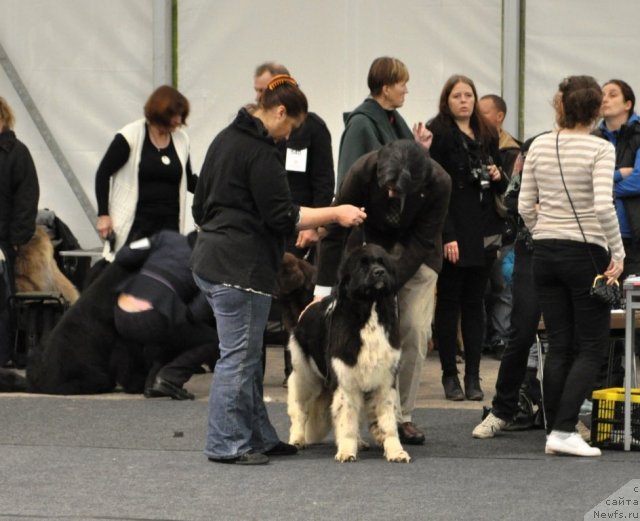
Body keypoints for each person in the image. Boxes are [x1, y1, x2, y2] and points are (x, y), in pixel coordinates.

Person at [190, 74, 366, 465]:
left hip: (210, 261)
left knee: (248, 357)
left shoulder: (223, 140)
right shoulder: (260, 152)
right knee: (237, 358)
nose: (289, 136)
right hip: (241, 270)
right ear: (280, 112)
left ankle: (258, 437)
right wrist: (336, 213)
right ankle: (226, 443)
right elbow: (283, 216)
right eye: (291, 127)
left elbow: (198, 208)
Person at [314, 139, 451, 445]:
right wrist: (323, 289)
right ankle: (358, 410)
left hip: (417, 256)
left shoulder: (440, 181)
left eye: (398, 190)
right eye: (387, 186)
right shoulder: (363, 169)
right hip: (368, 250)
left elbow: (422, 241)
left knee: (413, 329)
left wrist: (387, 285)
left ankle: (401, 419)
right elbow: (335, 228)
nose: (391, 193)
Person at [519, 75, 624, 457]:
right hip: (586, 253)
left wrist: (543, 232)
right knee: (592, 345)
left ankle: (555, 429)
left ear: (559, 106)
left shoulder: (540, 145)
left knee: (559, 344)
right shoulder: (600, 149)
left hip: (544, 253)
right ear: (596, 110)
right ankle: (564, 430)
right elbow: (601, 205)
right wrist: (618, 252)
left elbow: (524, 205)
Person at [253, 62, 335, 383]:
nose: (260, 97)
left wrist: (314, 226)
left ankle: (296, 372)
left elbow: (324, 182)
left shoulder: (313, 128)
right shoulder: (255, 133)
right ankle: (254, 373)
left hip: (299, 231)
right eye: (256, 91)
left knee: (297, 305)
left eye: (264, 91)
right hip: (265, 230)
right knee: (258, 301)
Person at [427, 74, 508, 401]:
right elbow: (435, 189)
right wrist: (447, 235)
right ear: (447, 100)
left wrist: (497, 174)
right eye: (457, 96)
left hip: (484, 230)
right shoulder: (439, 134)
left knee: (476, 304)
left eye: (468, 95)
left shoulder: (487, 134)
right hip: (453, 230)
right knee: (449, 304)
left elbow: (503, 185)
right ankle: (450, 375)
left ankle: (474, 376)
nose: (464, 101)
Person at [112, 230, 218, 400]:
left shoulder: (165, 237)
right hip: (152, 317)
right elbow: (197, 312)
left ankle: (153, 382)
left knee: (174, 333)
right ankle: (170, 377)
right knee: (210, 339)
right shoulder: (209, 262)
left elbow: (124, 255)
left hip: (120, 311)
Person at [95, 85, 196, 252]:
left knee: (163, 273)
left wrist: (217, 191)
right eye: (175, 115)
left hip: (169, 228)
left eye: (181, 115)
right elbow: (103, 173)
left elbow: (189, 179)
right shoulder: (130, 136)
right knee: (131, 271)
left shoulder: (181, 139)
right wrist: (103, 215)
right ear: (161, 112)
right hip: (136, 226)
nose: (179, 121)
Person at [336, 56, 432, 188]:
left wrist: (418, 147)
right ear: (386, 89)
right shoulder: (360, 125)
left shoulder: (392, 120)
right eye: (402, 85)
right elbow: (349, 182)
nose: (406, 91)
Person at [477, 94, 523, 359]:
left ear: (499, 116)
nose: (478, 117)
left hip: (504, 229)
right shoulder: (471, 145)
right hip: (478, 228)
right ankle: (481, 338)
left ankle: (501, 339)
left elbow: (512, 193)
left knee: (503, 286)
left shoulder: (512, 151)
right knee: (480, 288)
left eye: (483, 112)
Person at [0, 97, 40, 366]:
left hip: (3, 243)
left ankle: (2, 359)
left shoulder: (18, 154)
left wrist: (15, 242)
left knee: (3, 304)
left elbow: (27, 200)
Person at [594, 79, 640, 280]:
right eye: (602, 95)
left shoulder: (638, 135)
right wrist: (620, 174)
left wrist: (602, 186)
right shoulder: (593, 138)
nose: (605, 100)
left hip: (633, 235)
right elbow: (585, 179)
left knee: (632, 305)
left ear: (628, 104)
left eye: (612, 95)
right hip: (599, 236)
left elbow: (638, 180)